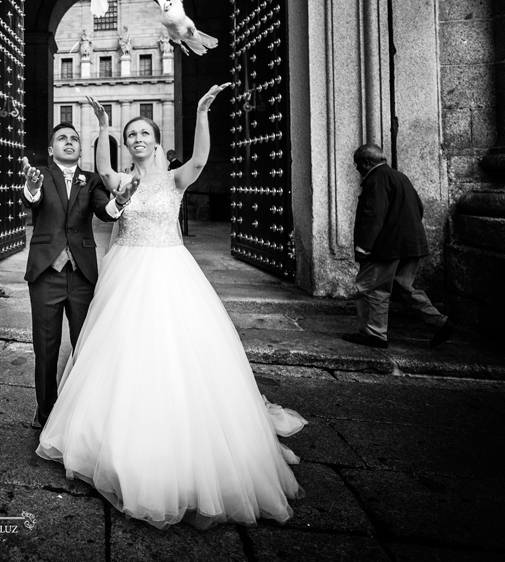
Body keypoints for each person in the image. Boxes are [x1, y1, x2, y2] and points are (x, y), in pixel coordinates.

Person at [36, 87, 306, 528]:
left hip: (170, 271)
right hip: (126, 273)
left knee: (179, 352)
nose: (137, 139)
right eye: (131, 135)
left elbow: (200, 161)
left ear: (157, 143)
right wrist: (104, 127)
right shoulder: (121, 182)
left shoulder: (175, 178)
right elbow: (101, 167)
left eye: (144, 133)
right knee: (122, 355)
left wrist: (201, 112)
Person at [20, 123, 130, 428]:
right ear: (51, 148)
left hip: (82, 275)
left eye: (74, 139)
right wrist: (31, 186)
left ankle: (80, 413)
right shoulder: (39, 174)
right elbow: (33, 199)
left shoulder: (91, 179)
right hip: (45, 273)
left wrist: (118, 202)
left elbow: (102, 211)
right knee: (46, 348)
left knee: (85, 346)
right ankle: (46, 414)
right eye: (62, 138)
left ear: (80, 149)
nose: (69, 142)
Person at [342, 143, 453, 349]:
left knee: (371, 288)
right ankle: (439, 322)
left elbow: (373, 213)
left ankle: (373, 334)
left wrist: (364, 245)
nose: (357, 169)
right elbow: (418, 208)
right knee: (402, 288)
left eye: (357, 165)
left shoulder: (376, 179)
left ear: (366, 162)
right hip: (411, 245)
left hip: (386, 247)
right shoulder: (401, 177)